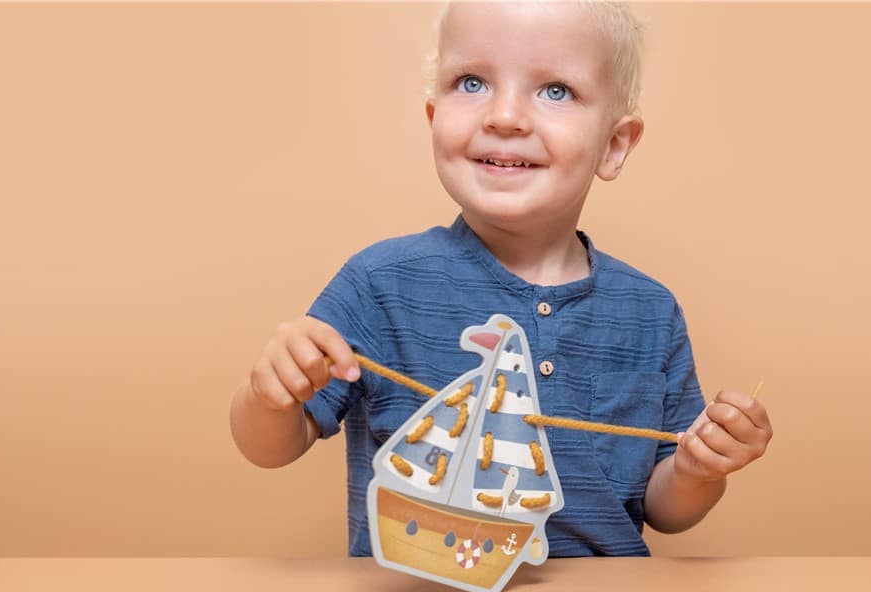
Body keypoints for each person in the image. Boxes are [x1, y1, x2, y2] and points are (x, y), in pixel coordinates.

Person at [230, 1, 773, 557]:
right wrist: (270, 397)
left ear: (614, 145)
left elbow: (665, 512)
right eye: (472, 82)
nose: (505, 116)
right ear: (434, 118)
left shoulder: (651, 312)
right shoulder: (378, 283)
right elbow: (271, 448)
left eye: (555, 90)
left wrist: (698, 469)